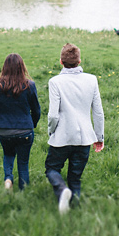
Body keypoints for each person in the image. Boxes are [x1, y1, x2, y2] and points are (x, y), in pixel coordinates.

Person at [45, 43, 105, 214]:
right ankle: (75, 211)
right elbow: (98, 112)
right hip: (85, 138)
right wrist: (99, 137)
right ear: (79, 61)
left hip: (62, 137)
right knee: (75, 177)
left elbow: (53, 115)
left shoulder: (55, 81)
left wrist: (52, 131)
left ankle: (62, 189)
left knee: (52, 168)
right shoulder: (91, 79)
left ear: (61, 62)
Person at [0, 53, 40, 190]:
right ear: (22, 67)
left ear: (5, 67)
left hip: (4, 130)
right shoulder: (30, 85)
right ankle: (23, 192)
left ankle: (8, 179)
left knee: (8, 155)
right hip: (25, 130)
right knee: (23, 163)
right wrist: (31, 124)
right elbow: (37, 111)